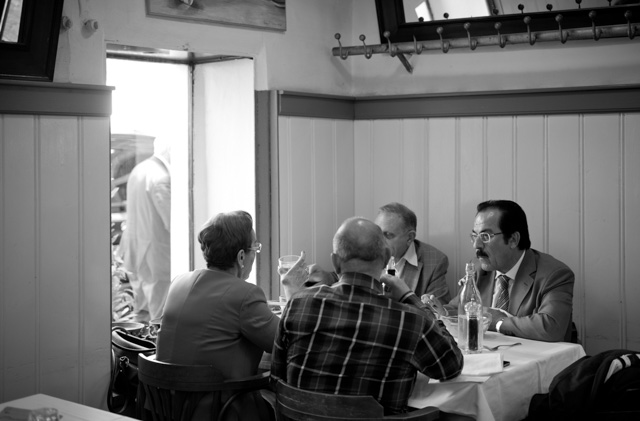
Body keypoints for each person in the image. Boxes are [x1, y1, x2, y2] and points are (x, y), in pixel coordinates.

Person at [271, 217, 463, 415]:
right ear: (387, 256)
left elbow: (277, 376)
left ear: (335, 261)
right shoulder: (410, 320)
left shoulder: (298, 303)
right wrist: (409, 297)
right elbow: (451, 366)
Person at [156, 211, 306, 420]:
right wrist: (294, 293)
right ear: (241, 257)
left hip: (165, 409)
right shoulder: (245, 295)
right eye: (255, 248)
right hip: (219, 411)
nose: (256, 255)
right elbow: (290, 346)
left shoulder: (179, 282)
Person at [450, 200, 575, 342]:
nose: (476, 245)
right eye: (474, 236)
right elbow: (456, 310)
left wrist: (499, 322)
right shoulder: (478, 267)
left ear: (513, 239)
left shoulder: (555, 274)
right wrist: (436, 310)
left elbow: (551, 327)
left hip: (535, 359)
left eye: (485, 237)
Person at [120, 140, 171, 323]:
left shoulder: (140, 169)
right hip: (157, 256)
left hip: (137, 250)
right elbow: (173, 223)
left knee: (142, 311)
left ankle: (137, 349)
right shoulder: (162, 177)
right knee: (160, 315)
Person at [375, 202, 451, 302]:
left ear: (410, 237)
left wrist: (406, 296)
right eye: (377, 233)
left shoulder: (435, 262)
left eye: (388, 235)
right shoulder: (366, 253)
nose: (380, 240)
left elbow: (436, 311)